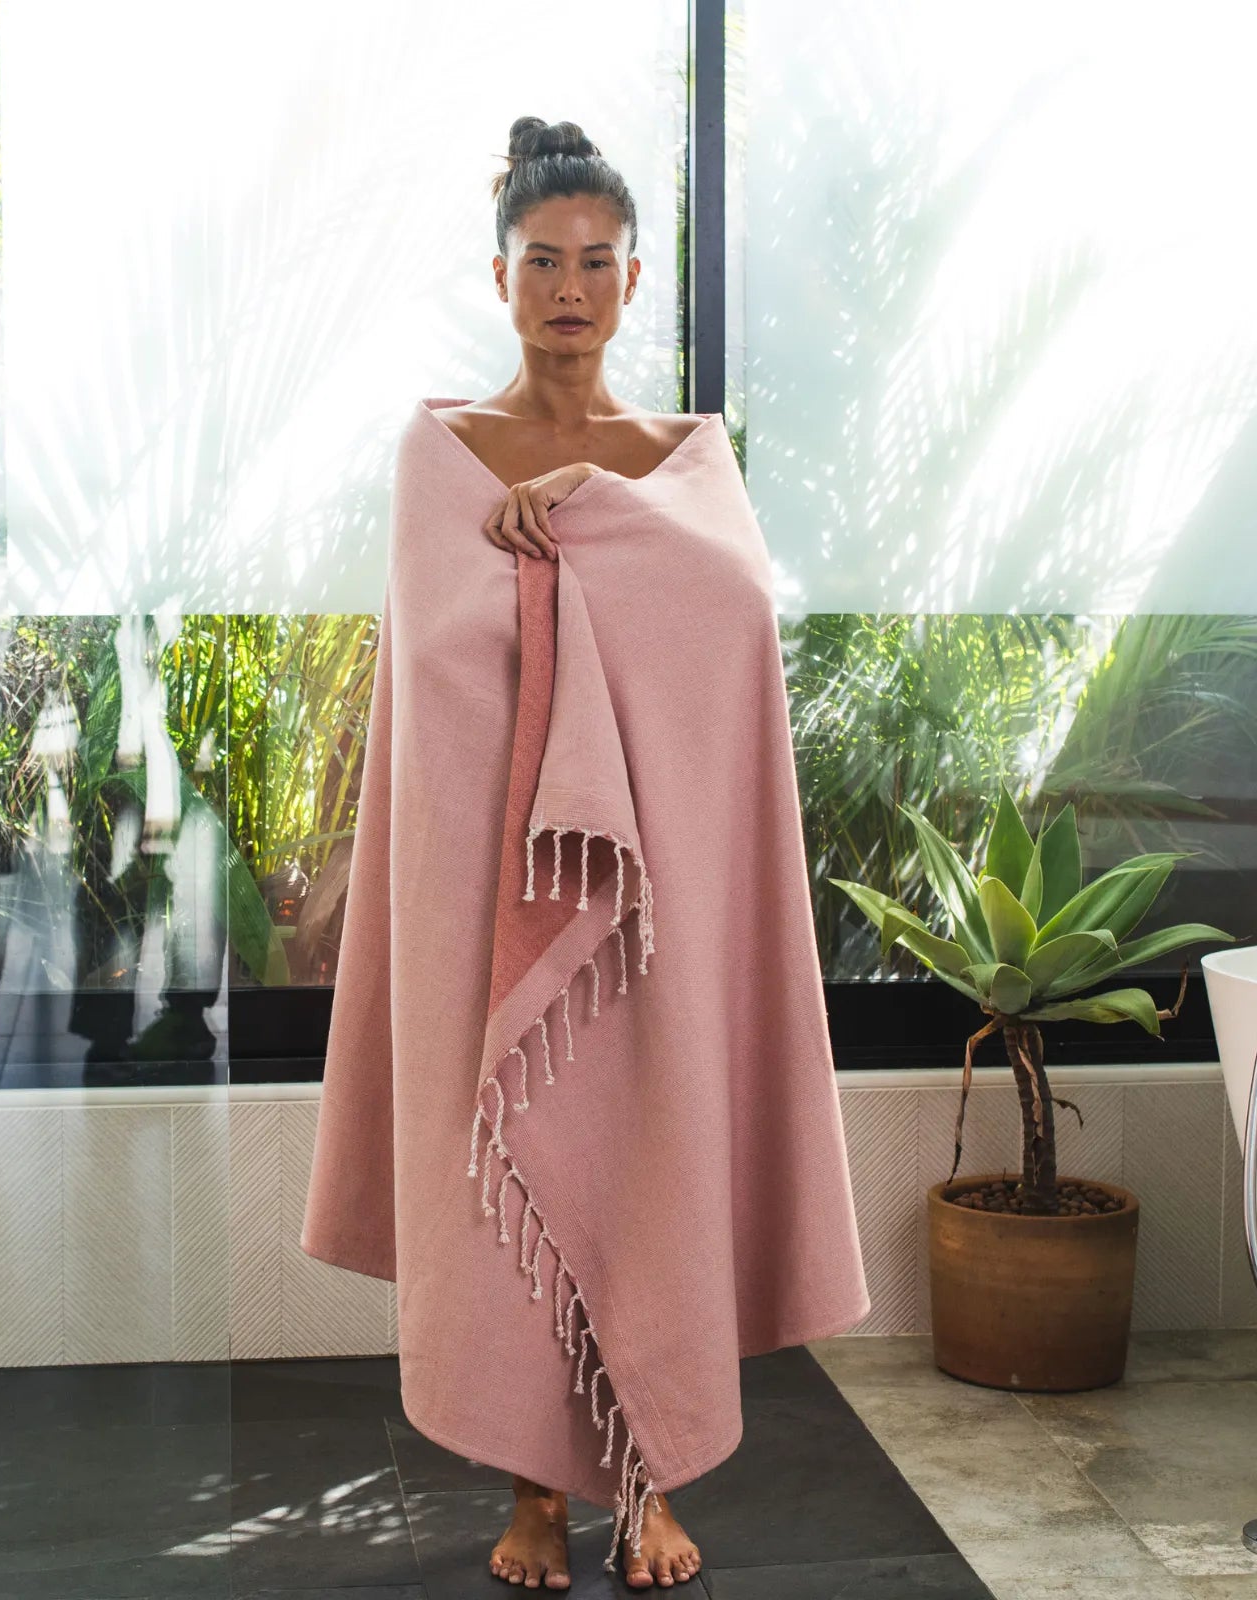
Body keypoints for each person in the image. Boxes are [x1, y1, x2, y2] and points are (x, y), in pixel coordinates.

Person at [302, 115, 868, 1591]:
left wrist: (593, 522)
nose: (570, 287)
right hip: (496, 889)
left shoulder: (680, 465)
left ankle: (648, 1483)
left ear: (633, 282)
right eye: (543, 261)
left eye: (598, 263)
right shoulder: (442, 460)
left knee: (646, 1169)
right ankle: (536, 1498)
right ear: (500, 278)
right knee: (509, 1166)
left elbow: (732, 634)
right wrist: (532, 558)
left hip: (650, 895)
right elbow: (434, 670)